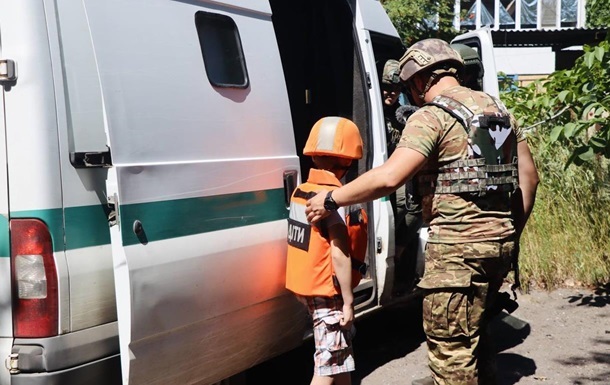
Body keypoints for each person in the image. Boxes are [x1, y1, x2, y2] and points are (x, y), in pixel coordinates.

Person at [305, 39, 539, 385]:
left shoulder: (431, 116)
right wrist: (507, 232)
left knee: (452, 354)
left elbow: (389, 176)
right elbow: (529, 179)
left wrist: (331, 200)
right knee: (477, 339)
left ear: (418, 80)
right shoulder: (498, 112)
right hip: (499, 247)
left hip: (456, 255)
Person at [286, 116, 367, 385]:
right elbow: (339, 254)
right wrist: (348, 300)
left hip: (307, 288)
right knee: (326, 365)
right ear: (345, 164)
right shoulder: (331, 202)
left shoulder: (302, 190)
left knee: (339, 358)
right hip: (328, 293)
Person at [381, 59, 423, 293]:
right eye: (387, 87)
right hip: (385, 172)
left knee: (414, 209)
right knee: (400, 206)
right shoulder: (376, 110)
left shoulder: (405, 112)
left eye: (396, 88)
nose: (391, 93)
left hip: (402, 170)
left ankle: (398, 251)